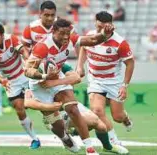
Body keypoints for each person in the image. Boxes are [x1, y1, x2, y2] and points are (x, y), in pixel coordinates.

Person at [24, 18, 114, 155]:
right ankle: (64, 137)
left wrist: (105, 34)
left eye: (68, 33)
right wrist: (43, 76)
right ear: (53, 32)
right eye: (62, 33)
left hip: (57, 78)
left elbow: (93, 40)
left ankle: (89, 148)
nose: (66, 36)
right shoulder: (42, 46)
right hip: (39, 85)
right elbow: (27, 70)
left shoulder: (70, 39)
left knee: (73, 109)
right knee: (57, 125)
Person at [28, 63, 129, 154]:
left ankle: (108, 147)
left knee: (102, 127)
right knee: (92, 120)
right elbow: (27, 102)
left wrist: (56, 82)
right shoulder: (33, 75)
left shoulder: (60, 63)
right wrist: (48, 106)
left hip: (70, 107)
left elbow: (77, 78)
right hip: (54, 114)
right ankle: (65, 136)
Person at [76, 11, 134, 150]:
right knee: (97, 110)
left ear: (110, 26)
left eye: (104, 27)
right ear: (95, 22)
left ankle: (125, 118)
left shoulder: (120, 43)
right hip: (95, 80)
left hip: (114, 82)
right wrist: (79, 66)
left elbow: (130, 63)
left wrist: (124, 86)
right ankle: (114, 141)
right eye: (98, 27)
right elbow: (83, 48)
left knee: (117, 117)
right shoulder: (90, 36)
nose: (100, 30)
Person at [0, 22, 40, 149]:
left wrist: (29, 64)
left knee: (42, 102)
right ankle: (35, 139)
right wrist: (2, 81)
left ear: (2, 35)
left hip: (25, 74)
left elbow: (24, 51)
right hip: (11, 82)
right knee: (20, 110)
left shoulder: (11, 39)